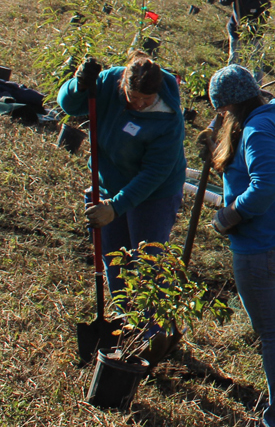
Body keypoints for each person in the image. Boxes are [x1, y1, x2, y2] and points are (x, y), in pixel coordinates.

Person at [207, 65, 275, 427]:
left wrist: (229, 216)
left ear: (230, 104)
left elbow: (267, 184)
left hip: (263, 245)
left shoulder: (256, 128)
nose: (220, 116)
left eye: (221, 110)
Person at [57, 52, 186, 293]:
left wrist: (115, 207)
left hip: (155, 194)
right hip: (110, 182)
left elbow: (154, 173)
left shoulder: (168, 119)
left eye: (146, 99)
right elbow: (70, 106)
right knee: (115, 259)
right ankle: (123, 320)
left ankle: (153, 327)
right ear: (123, 85)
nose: (138, 104)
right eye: (133, 96)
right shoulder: (108, 82)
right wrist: (79, 85)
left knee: (148, 260)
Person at [221, 0, 272, 75]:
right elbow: (222, 0)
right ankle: (231, 79)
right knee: (235, 56)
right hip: (236, 28)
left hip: (255, 30)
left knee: (257, 58)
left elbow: (264, 18)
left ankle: (257, 86)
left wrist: (257, 33)